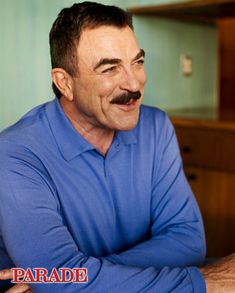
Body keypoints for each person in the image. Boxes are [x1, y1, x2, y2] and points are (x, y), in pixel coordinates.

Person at [0, 2, 234, 293]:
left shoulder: (156, 126)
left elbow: (188, 240)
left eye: (137, 62)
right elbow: (60, 274)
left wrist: (74, 277)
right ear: (65, 83)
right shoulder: (15, 152)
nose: (135, 83)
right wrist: (203, 282)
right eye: (110, 68)